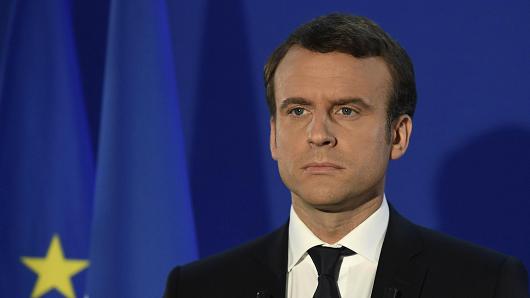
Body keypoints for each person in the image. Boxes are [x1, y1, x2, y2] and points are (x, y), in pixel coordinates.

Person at [164, 13, 529, 298]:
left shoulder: (484, 285)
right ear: (273, 135)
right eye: (297, 111)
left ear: (398, 135)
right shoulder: (199, 289)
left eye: (346, 111)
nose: (319, 135)